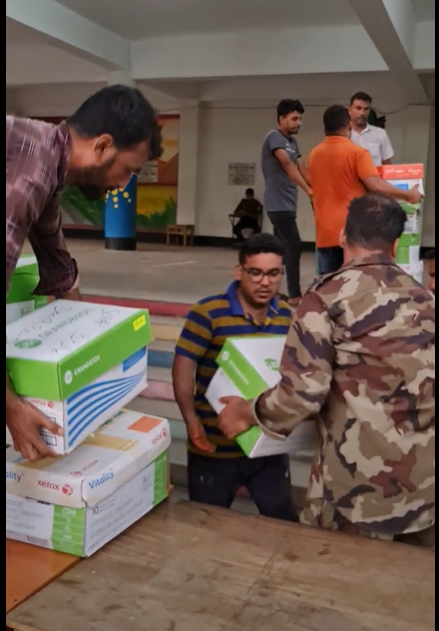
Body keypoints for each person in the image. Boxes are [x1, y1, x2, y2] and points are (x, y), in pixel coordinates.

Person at [219, 195, 435, 548]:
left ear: (342, 236)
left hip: (358, 492)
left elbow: (301, 394)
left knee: (340, 586)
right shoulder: (425, 297)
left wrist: (245, 411)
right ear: (395, 245)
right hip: (426, 488)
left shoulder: (326, 296)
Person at [6, 85, 162, 462]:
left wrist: (99, 364)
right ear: (103, 146)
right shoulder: (29, 180)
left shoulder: (48, 160)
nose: (123, 184)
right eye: (128, 170)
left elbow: (59, 268)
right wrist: (12, 407)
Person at [172, 234, 297, 522]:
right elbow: (183, 366)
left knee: (284, 523)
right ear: (239, 271)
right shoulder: (208, 313)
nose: (265, 282)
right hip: (214, 448)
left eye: (273, 273)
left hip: (269, 447)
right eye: (255, 272)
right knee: (206, 526)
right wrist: (191, 423)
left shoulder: (288, 317)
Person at [309, 105, 423, 275]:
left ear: (325, 128)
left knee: (329, 290)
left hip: (323, 234)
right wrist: (408, 195)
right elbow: (376, 185)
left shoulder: (314, 154)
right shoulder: (357, 153)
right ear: (349, 126)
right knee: (354, 288)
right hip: (352, 235)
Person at [261, 99, 313, 308]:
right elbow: (288, 165)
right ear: (281, 119)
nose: (298, 123)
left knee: (277, 250)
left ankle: (268, 287)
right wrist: (308, 190)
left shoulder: (292, 143)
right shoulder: (274, 137)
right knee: (293, 245)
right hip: (277, 203)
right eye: (294, 119)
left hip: (288, 204)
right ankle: (294, 295)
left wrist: (317, 187)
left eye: (299, 119)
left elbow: (301, 168)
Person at [349, 92, 394, 167]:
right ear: (349, 110)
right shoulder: (341, 134)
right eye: (358, 108)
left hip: (375, 177)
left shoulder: (380, 133)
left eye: (366, 109)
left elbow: (386, 163)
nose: (362, 113)